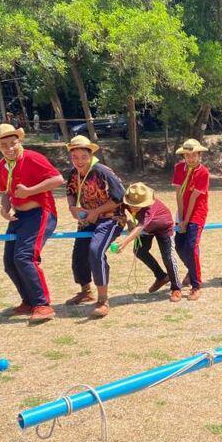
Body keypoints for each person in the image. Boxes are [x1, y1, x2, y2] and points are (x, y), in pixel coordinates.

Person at [0, 123, 64, 324]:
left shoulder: (33, 157)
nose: (9, 148)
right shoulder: (2, 165)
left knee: (25, 257)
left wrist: (30, 191)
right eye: (4, 145)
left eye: (13, 143)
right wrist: (5, 209)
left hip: (41, 213)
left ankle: (43, 305)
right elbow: (6, 192)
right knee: (10, 262)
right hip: (19, 217)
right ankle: (29, 301)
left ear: (19, 141)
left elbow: (58, 179)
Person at [63, 135, 125, 318]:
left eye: (83, 156)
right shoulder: (73, 173)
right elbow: (71, 192)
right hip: (88, 219)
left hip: (111, 218)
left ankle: (103, 300)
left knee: (95, 251)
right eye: (75, 157)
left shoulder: (103, 171)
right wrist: (72, 207)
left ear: (91, 155)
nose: (79, 161)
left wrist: (97, 211)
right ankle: (85, 291)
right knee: (79, 255)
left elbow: (120, 197)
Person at [114, 182, 183, 302]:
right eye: (132, 205)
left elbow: (140, 227)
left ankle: (176, 288)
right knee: (139, 251)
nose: (134, 208)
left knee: (168, 257)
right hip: (147, 229)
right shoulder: (126, 201)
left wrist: (124, 243)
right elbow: (120, 212)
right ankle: (161, 277)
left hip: (163, 227)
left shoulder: (150, 207)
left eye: (138, 206)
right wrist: (128, 221)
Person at [172, 139, 210, 301]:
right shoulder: (178, 168)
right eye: (187, 155)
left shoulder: (203, 172)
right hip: (182, 212)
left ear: (199, 155)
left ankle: (196, 285)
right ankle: (191, 269)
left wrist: (186, 222)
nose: (190, 158)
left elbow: (194, 198)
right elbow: (179, 194)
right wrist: (181, 219)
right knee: (179, 245)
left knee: (191, 246)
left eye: (194, 155)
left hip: (197, 212)